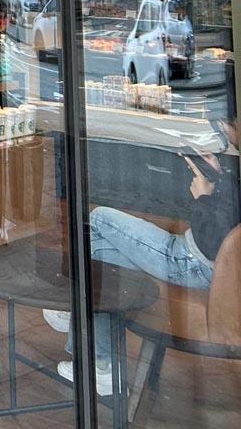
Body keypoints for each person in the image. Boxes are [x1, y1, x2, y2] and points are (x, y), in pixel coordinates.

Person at [45, 118, 241, 395]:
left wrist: (203, 197)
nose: (222, 128)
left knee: (99, 218)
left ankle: (80, 319)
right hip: (201, 261)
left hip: (191, 261)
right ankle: (100, 363)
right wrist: (219, 175)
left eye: (228, 123)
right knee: (99, 258)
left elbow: (213, 240)